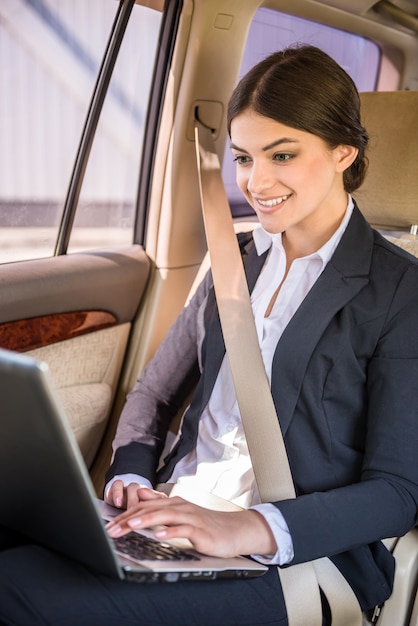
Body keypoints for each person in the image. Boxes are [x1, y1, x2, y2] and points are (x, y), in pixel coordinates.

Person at [0, 44, 418, 626]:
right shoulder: (234, 260)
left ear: (343, 152)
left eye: (283, 155)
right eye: (244, 158)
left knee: (17, 592)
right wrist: (129, 480)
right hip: (175, 519)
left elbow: (397, 491)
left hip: (298, 562)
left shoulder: (402, 290)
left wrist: (245, 526)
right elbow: (152, 396)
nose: (256, 181)